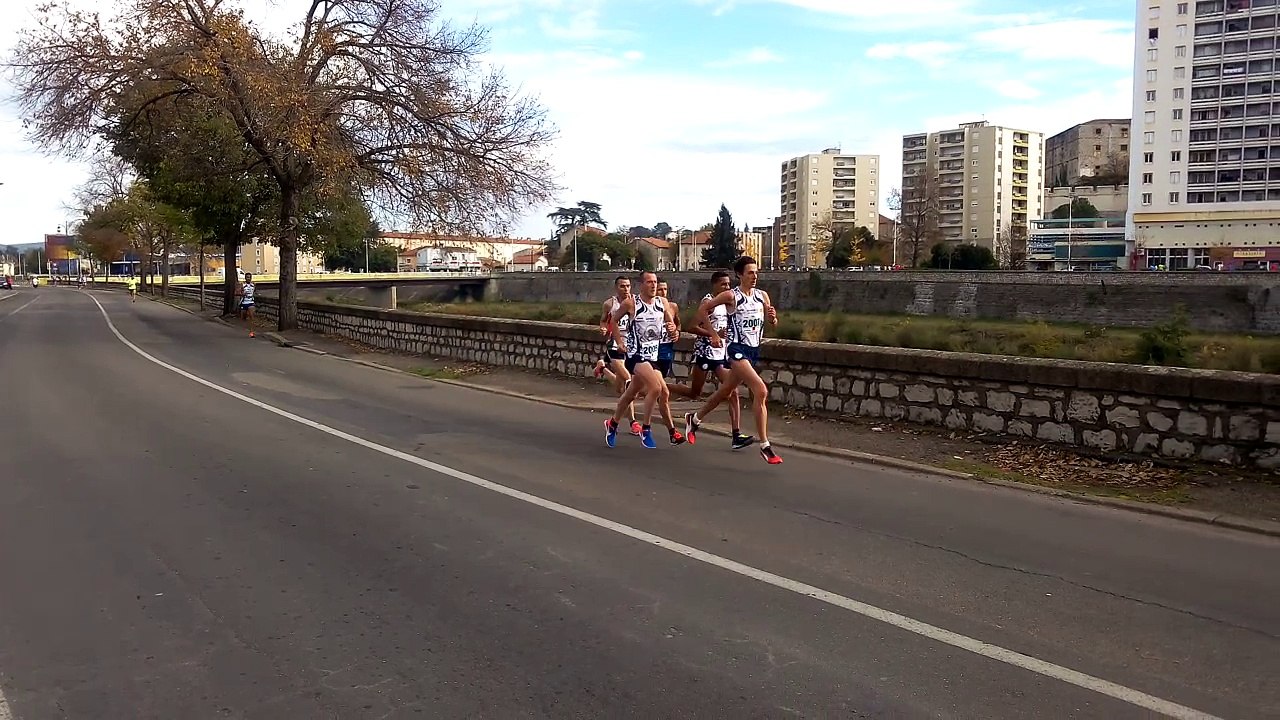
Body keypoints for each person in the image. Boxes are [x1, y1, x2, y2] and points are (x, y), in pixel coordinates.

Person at [683, 256, 782, 464]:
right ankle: (765, 446)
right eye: (750, 273)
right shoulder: (731, 296)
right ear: (740, 274)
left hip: (753, 350)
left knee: (725, 391)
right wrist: (713, 335)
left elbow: (772, 323)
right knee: (761, 390)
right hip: (736, 350)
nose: (754, 276)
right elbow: (703, 310)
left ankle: (695, 418)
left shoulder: (762, 296)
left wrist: (772, 317)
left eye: (756, 272)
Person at [667, 271, 752, 450]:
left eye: (728, 285)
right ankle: (661, 386)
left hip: (721, 355)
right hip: (704, 352)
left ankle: (736, 435)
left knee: (732, 391)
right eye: (723, 284)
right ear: (714, 285)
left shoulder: (727, 302)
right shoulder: (708, 303)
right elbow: (692, 327)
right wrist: (713, 334)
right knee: (694, 392)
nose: (727, 288)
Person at [604, 271, 684, 449]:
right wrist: (619, 341)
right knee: (656, 388)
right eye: (649, 282)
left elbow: (670, 324)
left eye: (655, 282)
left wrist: (674, 331)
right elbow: (614, 321)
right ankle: (646, 429)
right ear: (641, 285)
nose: (653, 285)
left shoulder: (662, 303)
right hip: (635, 355)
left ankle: (613, 423)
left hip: (652, 355)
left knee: (631, 393)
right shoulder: (631, 304)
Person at [594, 276, 641, 436]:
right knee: (629, 382)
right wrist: (602, 329)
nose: (626, 289)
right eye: (622, 286)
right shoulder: (609, 304)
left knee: (621, 389)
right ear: (616, 288)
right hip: (614, 345)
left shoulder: (636, 303)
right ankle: (634, 422)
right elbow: (603, 321)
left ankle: (603, 369)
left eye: (628, 286)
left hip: (631, 346)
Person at [237, 272, 256, 338]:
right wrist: (242, 294)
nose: (249, 279)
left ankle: (251, 332)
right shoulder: (242, 285)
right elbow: (236, 293)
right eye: (247, 277)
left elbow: (255, 292)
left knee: (252, 317)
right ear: (245, 278)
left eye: (250, 277)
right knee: (243, 317)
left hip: (251, 302)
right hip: (244, 302)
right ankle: (245, 327)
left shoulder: (253, 284)